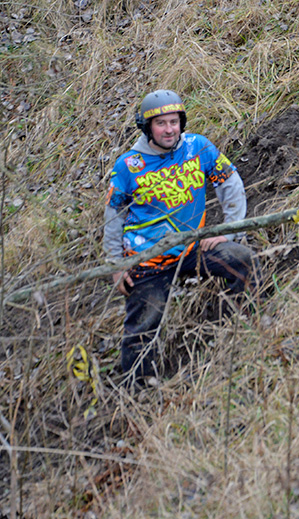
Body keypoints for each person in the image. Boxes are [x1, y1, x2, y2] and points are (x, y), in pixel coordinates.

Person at [103, 89, 256, 380]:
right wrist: (115, 264)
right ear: (147, 127)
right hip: (146, 260)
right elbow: (112, 217)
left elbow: (230, 183)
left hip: (192, 249)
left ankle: (242, 334)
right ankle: (140, 391)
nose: (169, 129)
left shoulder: (198, 147)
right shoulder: (127, 166)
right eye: (161, 123)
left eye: (174, 122)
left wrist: (229, 231)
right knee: (143, 326)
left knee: (243, 260)